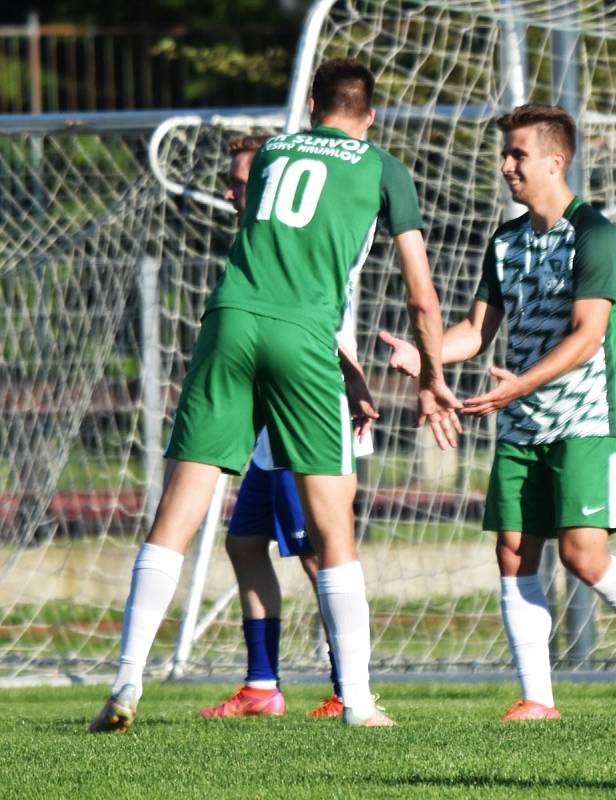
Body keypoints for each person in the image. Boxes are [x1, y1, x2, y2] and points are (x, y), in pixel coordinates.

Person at [89, 58, 460, 733]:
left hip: (229, 321)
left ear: (311, 103)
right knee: (332, 530)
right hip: (304, 340)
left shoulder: (270, 155)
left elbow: (274, 255)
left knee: (178, 512)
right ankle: (356, 701)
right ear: (369, 114)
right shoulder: (382, 168)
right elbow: (421, 295)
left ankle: (125, 680)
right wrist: (432, 377)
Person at [380, 102, 616, 720]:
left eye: (517, 154)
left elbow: (586, 338)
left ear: (556, 161)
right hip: (521, 419)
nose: (506, 166)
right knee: (514, 552)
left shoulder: (597, 235)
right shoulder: (506, 240)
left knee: (582, 557)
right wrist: (426, 356)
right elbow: (476, 330)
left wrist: (517, 385)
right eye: (506, 154)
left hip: (582, 421)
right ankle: (537, 699)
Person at [200, 136, 375, 720]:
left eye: (241, 182)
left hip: (307, 405)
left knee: (320, 550)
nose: (231, 192)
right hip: (272, 415)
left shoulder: (297, 244)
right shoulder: (260, 246)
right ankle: (261, 685)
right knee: (245, 541)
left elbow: (318, 327)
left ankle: (348, 689)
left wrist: (352, 381)